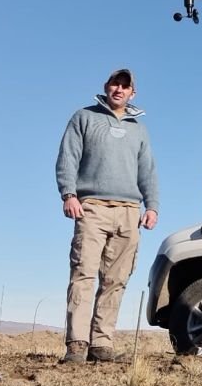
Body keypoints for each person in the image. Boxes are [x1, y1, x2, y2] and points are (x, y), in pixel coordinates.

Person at [55, 69, 159, 364]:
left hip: (129, 211)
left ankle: (101, 343)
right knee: (83, 274)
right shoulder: (84, 117)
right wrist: (69, 194)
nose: (119, 89)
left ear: (132, 94)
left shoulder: (139, 129)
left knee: (117, 279)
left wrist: (152, 206)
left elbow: (147, 170)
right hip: (92, 207)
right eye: (116, 83)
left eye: (126, 86)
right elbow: (68, 157)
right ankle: (76, 344)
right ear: (106, 86)